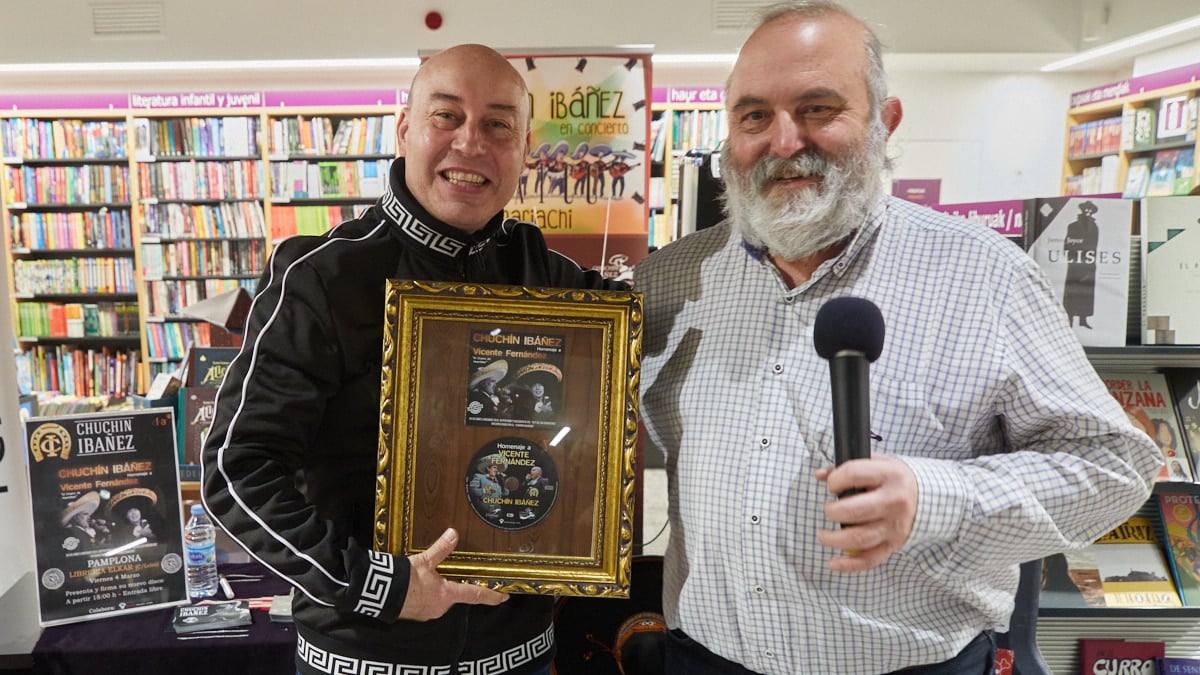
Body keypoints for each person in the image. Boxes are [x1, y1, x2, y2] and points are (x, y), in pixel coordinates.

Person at [634, 3, 1162, 674]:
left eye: (818, 109)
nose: (784, 141)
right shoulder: (667, 280)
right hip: (703, 659)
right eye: (754, 116)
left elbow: (1114, 465)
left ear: (885, 122)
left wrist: (935, 498)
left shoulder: (985, 276)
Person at [201, 43, 623, 675]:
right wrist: (376, 586)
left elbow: (661, 324)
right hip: (363, 657)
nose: (471, 142)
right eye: (446, 116)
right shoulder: (322, 278)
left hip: (522, 656)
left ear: (525, 148)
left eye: (498, 124)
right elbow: (236, 470)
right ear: (404, 130)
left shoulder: (555, 282)